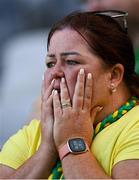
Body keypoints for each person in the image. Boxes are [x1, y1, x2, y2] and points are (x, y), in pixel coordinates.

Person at [1, 10, 139, 179]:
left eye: (71, 61)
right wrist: (47, 148)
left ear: (114, 76)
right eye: (50, 63)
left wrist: (72, 142)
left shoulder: (135, 126)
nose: (55, 73)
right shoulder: (37, 131)